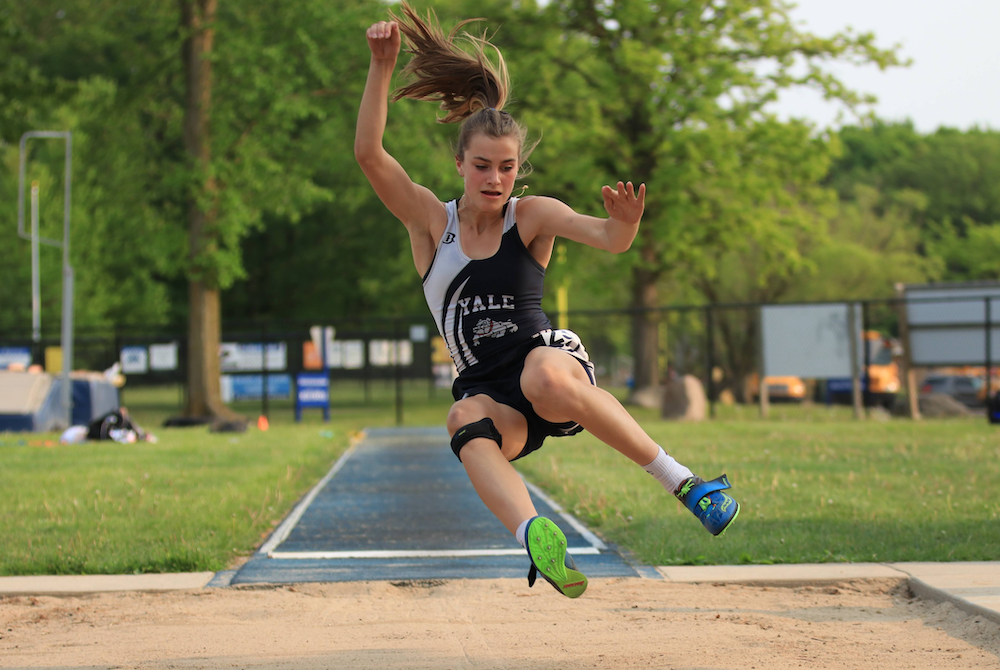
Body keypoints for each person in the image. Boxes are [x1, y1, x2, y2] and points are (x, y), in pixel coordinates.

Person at [355, 2, 739, 598]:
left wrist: (627, 224)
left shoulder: (532, 216)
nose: (494, 178)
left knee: (544, 378)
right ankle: (534, 533)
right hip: (491, 390)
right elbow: (370, 157)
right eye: (481, 165)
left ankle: (686, 484)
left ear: (517, 171)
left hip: (550, 365)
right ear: (459, 163)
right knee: (462, 418)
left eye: (507, 167)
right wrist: (382, 67)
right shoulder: (432, 224)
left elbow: (610, 239)